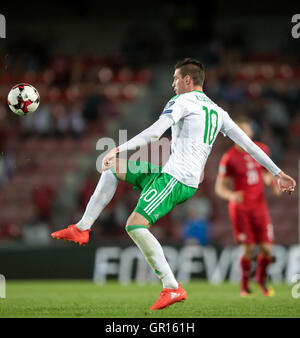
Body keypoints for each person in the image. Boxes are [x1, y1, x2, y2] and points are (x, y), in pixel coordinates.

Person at [51, 58, 296, 310]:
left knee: (135, 225)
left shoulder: (181, 101)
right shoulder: (218, 111)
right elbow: (249, 145)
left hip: (177, 179)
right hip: (170, 172)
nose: (172, 84)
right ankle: (82, 227)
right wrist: (278, 173)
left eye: (176, 78)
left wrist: (118, 147)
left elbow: (155, 133)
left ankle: (171, 286)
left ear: (188, 80)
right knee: (114, 167)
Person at [215, 116, 283, 297]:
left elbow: (266, 173)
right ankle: (245, 286)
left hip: (259, 207)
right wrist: (231, 195)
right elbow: (219, 187)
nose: (244, 134)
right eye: (240, 131)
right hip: (241, 209)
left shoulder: (262, 149)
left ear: (252, 132)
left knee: (267, 248)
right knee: (249, 248)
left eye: (246, 130)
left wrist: (272, 183)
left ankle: (261, 279)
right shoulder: (229, 158)